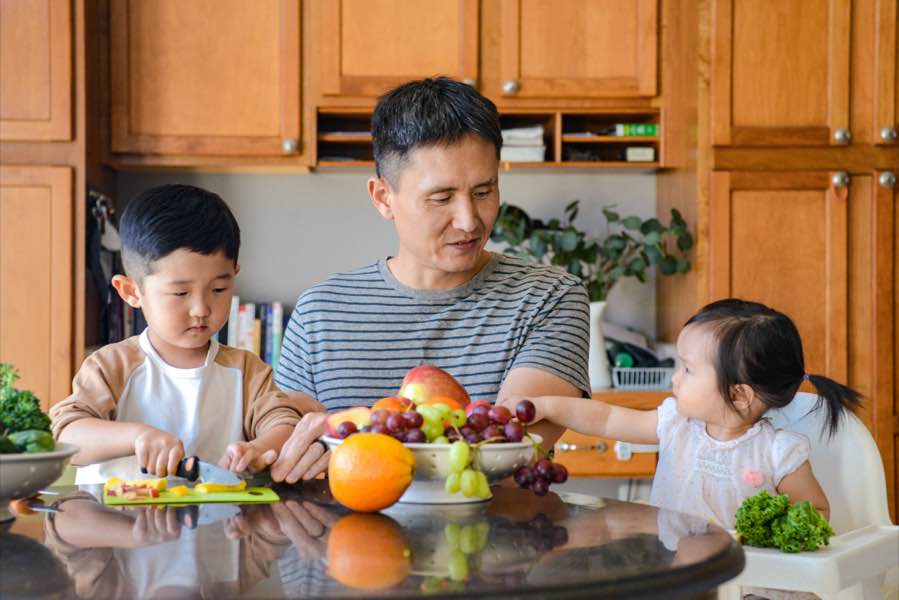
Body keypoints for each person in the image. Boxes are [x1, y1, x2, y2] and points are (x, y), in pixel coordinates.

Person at [270, 77, 591, 484]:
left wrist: (343, 433)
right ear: (383, 198)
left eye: (484, 191)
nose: (469, 220)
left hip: (501, 540)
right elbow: (289, 440)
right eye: (441, 198)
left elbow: (512, 446)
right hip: (349, 540)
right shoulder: (321, 310)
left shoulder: (550, 298)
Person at [501, 298, 862, 527]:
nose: (676, 378)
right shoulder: (676, 424)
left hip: (750, 585)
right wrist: (548, 405)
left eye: (688, 369)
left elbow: (816, 512)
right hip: (680, 574)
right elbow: (607, 419)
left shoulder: (779, 452)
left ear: (738, 395)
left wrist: (772, 536)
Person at [51, 184, 305, 483]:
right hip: (117, 524)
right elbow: (67, 434)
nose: (201, 308)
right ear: (132, 291)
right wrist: (137, 437)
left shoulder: (246, 371)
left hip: (219, 525)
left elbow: (284, 423)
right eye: (180, 292)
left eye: (218, 289)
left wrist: (257, 449)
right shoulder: (111, 366)